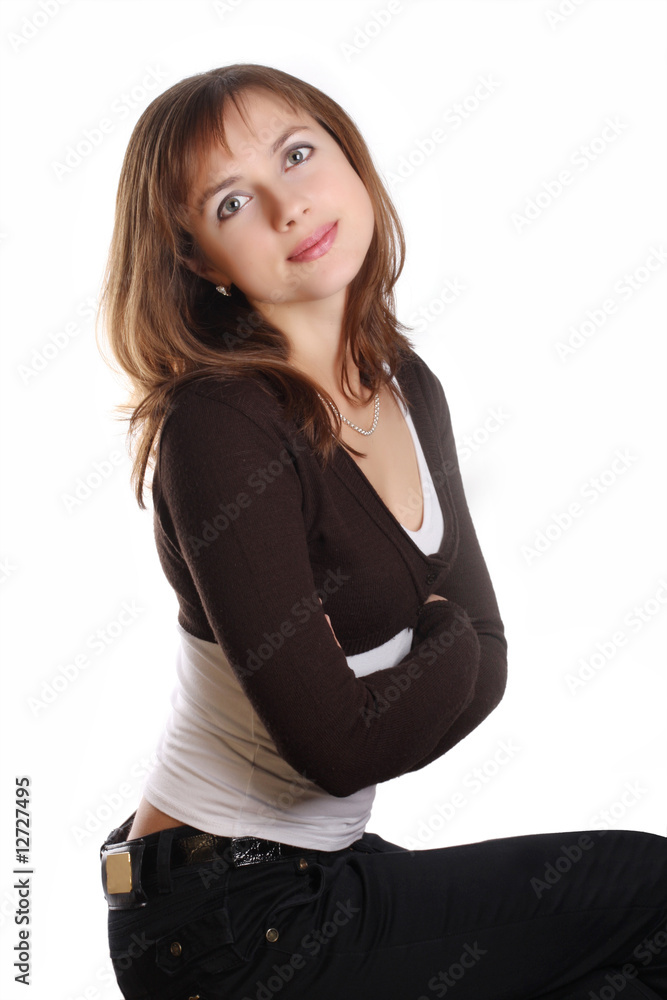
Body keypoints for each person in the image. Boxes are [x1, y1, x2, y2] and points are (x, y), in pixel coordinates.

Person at [97, 63, 667, 1000]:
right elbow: (343, 750)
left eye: (297, 154)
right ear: (199, 260)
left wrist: (441, 658)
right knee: (647, 891)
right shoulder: (221, 427)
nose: (288, 206)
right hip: (224, 924)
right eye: (233, 201)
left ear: (348, 155)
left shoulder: (406, 385)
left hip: (316, 875)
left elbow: (493, 664)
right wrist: (446, 635)